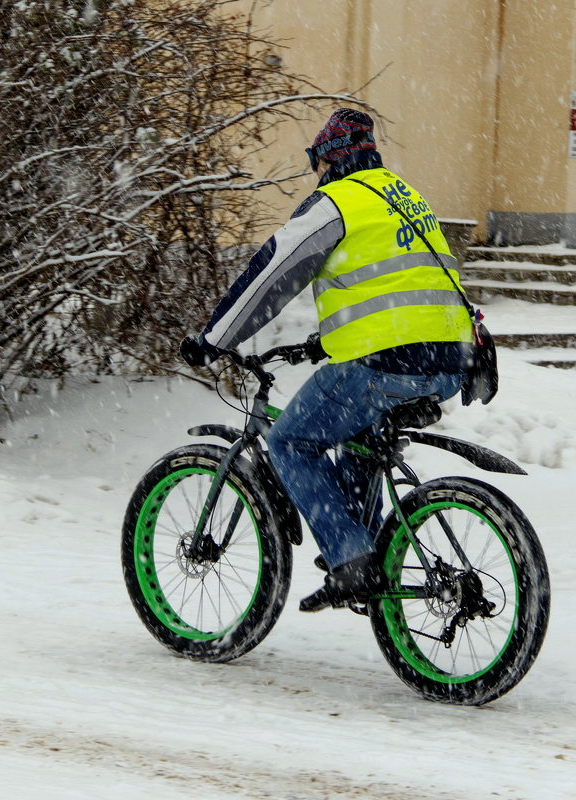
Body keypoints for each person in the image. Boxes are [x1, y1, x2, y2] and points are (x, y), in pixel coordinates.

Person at [179, 108, 474, 612]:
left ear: (330, 159)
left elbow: (270, 275)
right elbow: (395, 287)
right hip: (450, 359)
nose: (317, 175)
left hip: (386, 361)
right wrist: (322, 342)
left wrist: (214, 338)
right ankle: (369, 556)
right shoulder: (402, 196)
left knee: (291, 441)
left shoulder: (336, 202)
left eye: (318, 164)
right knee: (356, 437)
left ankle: (350, 559)